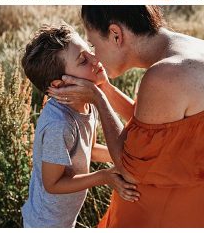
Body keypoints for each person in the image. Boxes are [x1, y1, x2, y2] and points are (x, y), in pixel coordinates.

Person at [49, 6, 204, 227]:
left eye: (93, 45)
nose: (94, 56)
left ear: (116, 34)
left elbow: (128, 169)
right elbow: (157, 125)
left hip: (165, 218)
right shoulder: (199, 49)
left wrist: (98, 99)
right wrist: (104, 88)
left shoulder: (164, 75)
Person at [19, 24, 139, 227]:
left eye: (90, 51)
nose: (95, 60)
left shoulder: (86, 103)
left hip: (64, 219)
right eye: (84, 60)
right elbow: (52, 184)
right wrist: (103, 176)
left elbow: (89, 150)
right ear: (60, 84)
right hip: (45, 223)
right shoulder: (59, 125)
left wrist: (132, 159)